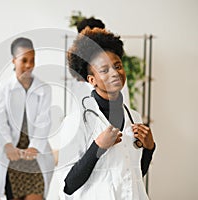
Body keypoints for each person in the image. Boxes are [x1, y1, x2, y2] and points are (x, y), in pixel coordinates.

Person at [59, 27, 156, 199]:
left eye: (117, 66)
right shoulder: (76, 121)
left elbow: (135, 175)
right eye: (104, 70)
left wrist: (149, 148)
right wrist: (97, 147)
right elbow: (68, 185)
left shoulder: (134, 117)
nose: (115, 73)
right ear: (92, 80)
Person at [0, 37, 55, 200]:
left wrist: (35, 147)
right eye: (24, 60)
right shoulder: (3, 88)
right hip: (11, 155)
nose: (29, 65)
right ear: (13, 60)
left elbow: (43, 121)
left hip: (34, 155)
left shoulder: (44, 89)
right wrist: (8, 145)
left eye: (32, 60)